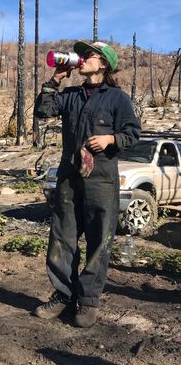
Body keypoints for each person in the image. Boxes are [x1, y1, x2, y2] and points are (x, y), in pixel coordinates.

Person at [33, 41, 140, 327]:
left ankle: (88, 301)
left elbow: (132, 133)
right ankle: (63, 295)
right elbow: (43, 112)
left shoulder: (117, 99)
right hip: (69, 178)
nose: (81, 59)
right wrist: (54, 79)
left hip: (101, 181)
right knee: (62, 236)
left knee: (98, 241)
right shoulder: (70, 95)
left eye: (87, 55)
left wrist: (110, 140)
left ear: (103, 64)